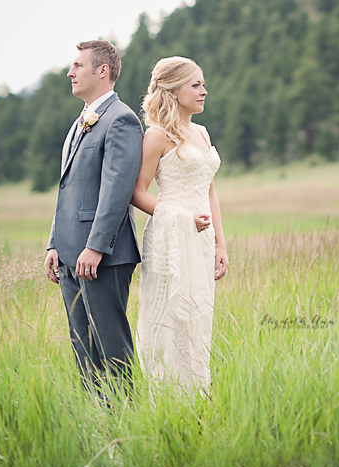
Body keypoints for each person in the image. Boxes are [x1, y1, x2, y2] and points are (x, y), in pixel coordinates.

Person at [44, 40, 143, 397]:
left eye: (78, 66)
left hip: (103, 256)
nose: (70, 73)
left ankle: (127, 418)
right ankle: (97, 418)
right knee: (84, 350)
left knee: (111, 348)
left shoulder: (121, 119)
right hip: (70, 254)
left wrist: (96, 247)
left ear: (102, 71)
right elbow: (69, 188)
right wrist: (54, 244)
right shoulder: (80, 122)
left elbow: (117, 191)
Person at [131, 56, 228, 393]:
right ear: (173, 91)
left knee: (197, 316)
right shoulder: (157, 136)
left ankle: (197, 393)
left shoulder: (202, 133)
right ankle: (164, 395)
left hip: (201, 239)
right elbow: (137, 192)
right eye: (195, 85)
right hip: (170, 236)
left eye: (203, 84)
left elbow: (210, 192)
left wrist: (220, 244)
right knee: (168, 316)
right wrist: (182, 218)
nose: (204, 91)